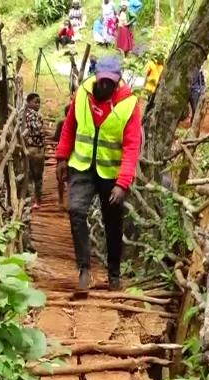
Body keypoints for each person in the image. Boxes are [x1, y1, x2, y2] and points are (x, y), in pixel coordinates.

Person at [55, 56, 142, 295]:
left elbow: (132, 146)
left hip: (111, 174)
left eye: (110, 83)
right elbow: (70, 125)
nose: (105, 86)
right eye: (102, 81)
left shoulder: (128, 104)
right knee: (76, 210)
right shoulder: (83, 93)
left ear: (118, 81)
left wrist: (122, 183)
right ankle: (84, 269)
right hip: (82, 165)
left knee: (113, 223)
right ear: (96, 77)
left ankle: (114, 274)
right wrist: (62, 157)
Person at [23, 93, 46, 208]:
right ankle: (37, 201)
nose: (38, 104)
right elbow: (38, 131)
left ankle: (33, 199)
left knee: (31, 175)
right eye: (35, 102)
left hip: (31, 148)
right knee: (37, 176)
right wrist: (44, 132)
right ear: (29, 103)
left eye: (39, 102)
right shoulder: (33, 115)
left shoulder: (27, 114)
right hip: (36, 149)